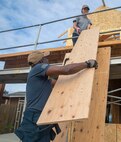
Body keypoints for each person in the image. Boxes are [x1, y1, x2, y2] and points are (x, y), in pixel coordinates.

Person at [15, 50, 98, 142]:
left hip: (38, 116)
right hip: (35, 116)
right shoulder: (38, 68)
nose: (47, 59)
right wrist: (87, 64)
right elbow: (66, 70)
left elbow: (60, 81)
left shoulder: (43, 80)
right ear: (41, 61)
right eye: (45, 58)